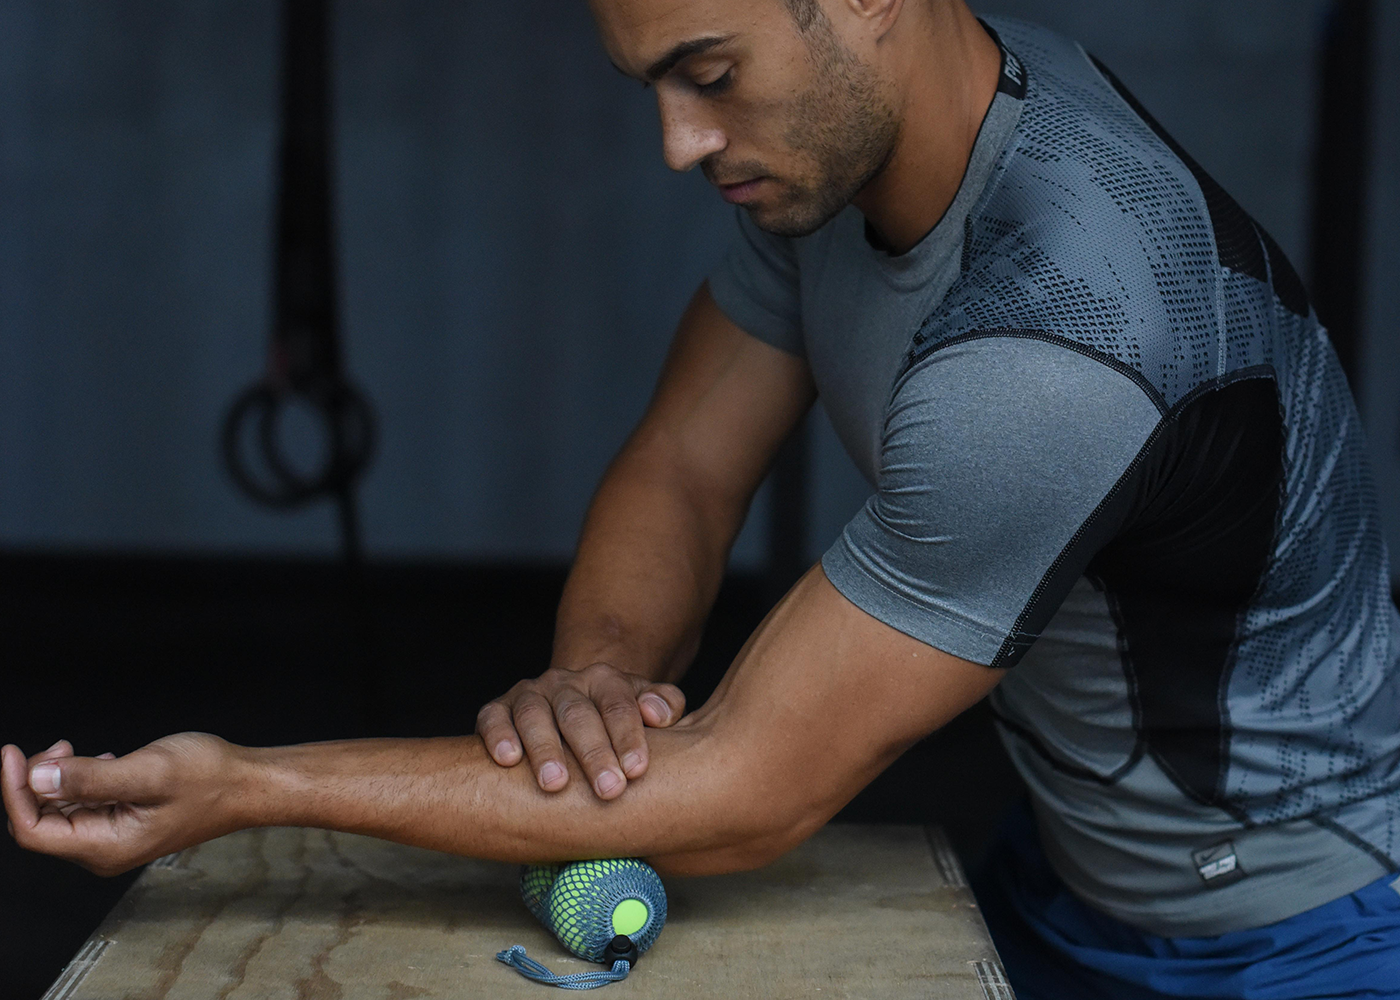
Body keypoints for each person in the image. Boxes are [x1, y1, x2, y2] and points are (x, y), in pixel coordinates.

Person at [5, 1, 1399, 996]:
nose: (681, 140)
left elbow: (746, 793)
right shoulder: (876, 133)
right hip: (1066, 868)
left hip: (1304, 934)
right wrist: (596, 684)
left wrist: (248, 788)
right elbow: (684, 462)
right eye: (655, 86)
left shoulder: (1059, 345)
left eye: (710, 73)